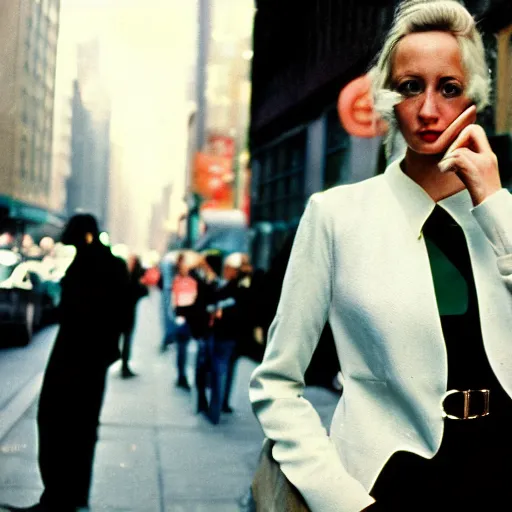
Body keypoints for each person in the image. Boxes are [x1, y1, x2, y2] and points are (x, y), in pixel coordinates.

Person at [249, 1, 512, 511]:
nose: (430, 109)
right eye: (412, 86)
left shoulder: (502, 217)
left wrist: (495, 206)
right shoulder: (337, 216)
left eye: (449, 88)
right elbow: (277, 383)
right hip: (389, 483)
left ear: (473, 101)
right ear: (389, 99)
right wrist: (338, 498)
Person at [1, 214, 130, 512]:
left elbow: (80, 311)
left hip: (75, 359)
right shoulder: (107, 264)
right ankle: (71, 496)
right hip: (89, 360)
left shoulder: (92, 264)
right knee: (80, 429)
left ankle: (59, 497)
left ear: (84, 236)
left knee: (57, 423)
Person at [206, 252, 245, 424]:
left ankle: (215, 410)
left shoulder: (225, 289)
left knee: (219, 371)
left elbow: (213, 306)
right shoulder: (243, 289)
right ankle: (224, 404)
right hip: (236, 336)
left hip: (223, 335)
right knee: (229, 370)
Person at [171, 253, 198, 390]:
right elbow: (175, 300)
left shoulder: (193, 281)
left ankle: (183, 375)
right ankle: (181, 375)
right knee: (182, 348)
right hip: (181, 318)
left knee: (185, 348)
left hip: (189, 318)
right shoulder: (177, 281)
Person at [120, 254, 148, 378]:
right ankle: (124, 365)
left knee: (126, 340)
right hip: (125, 313)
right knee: (125, 340)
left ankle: (124, 365)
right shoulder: (127, 277)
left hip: (127, 312)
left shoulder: (133, 277)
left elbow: (143, 292)